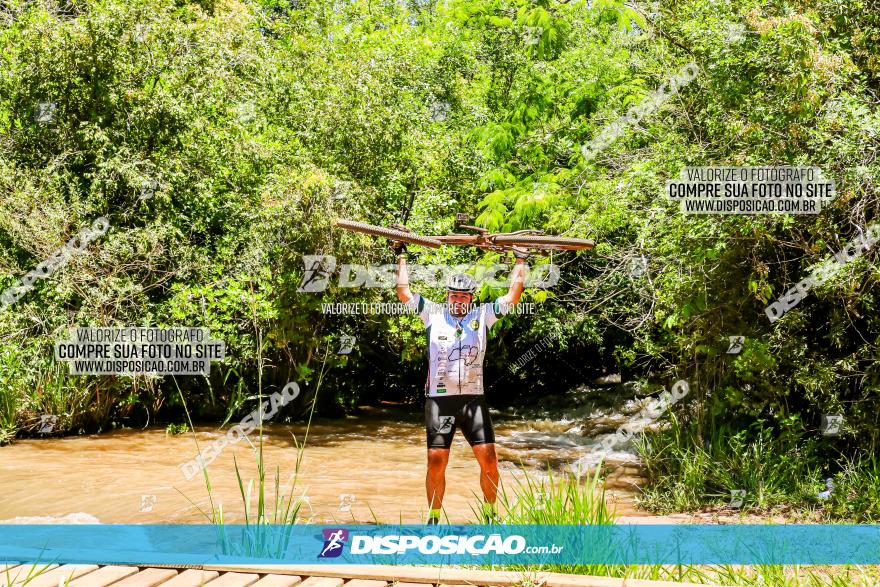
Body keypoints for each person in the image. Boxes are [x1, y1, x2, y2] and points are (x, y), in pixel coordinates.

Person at [393, 241, 527, 524]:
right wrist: (401, 254)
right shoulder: (432, 314)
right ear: (447, 296)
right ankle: (433, 518)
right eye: (454, 295)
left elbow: (513, 296)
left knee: (489, 460)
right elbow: (403, 291)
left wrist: (520, 259)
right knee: (436, 462)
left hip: (473, 401)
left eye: (464, 297)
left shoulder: (483, 315)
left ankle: (490, 517)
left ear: (471, 299)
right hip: (440, 402)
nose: (459, 300)